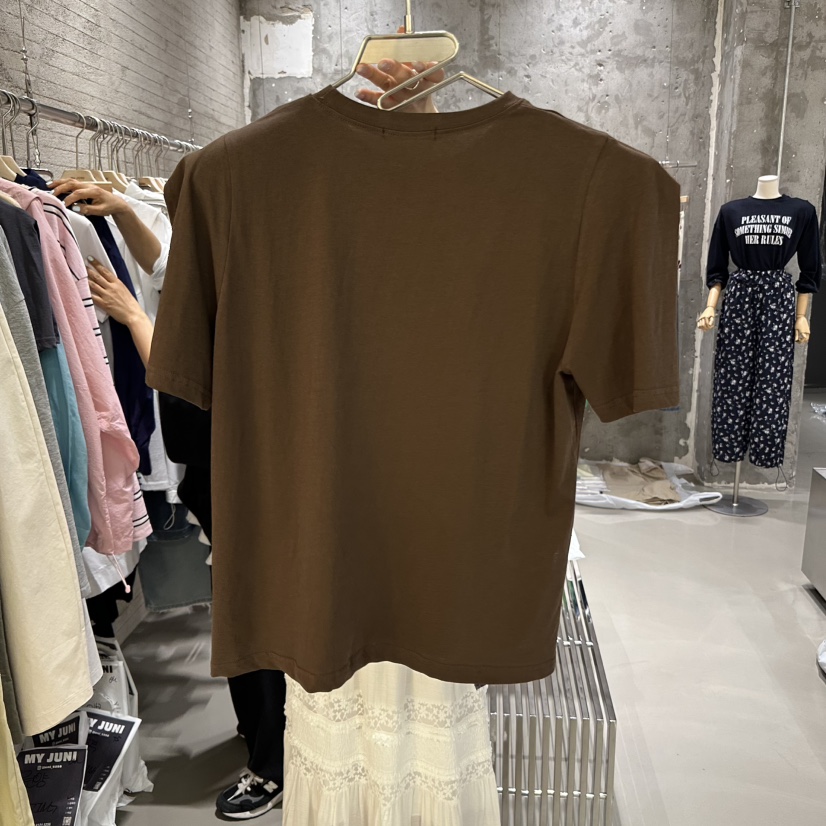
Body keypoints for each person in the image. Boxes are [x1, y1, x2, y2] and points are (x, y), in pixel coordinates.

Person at [86, 54, 445, 820]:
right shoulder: (248, 246)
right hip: (239, 471)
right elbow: (174, 269)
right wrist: (124, 219)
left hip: (259, 471)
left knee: (263, 618)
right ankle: (273, 744)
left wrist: (136, 318)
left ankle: (272, 762)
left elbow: (201, 370)